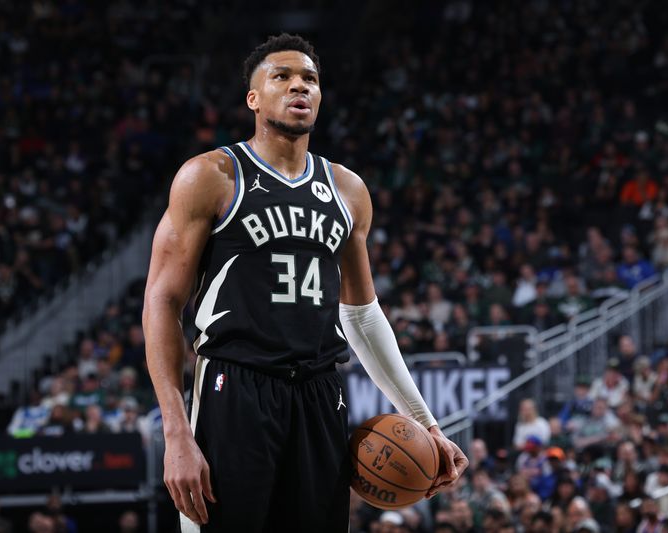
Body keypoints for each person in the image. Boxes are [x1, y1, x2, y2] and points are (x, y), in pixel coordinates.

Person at [142, 33, 468, 533]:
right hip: (236, 385)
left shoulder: (347, 190)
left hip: (320, 393)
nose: (300, 86)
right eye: (283, 77)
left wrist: (425, 423)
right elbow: (163, 302)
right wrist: (176, 432)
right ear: (253, 98)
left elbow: (361, 314)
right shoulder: (211, 176)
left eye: (310, 79)